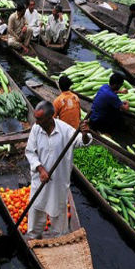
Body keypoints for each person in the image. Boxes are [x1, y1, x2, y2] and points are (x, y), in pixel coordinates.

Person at [25, 101, 91, 239]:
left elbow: (81, 142)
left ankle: (59, 239)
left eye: (39, 119)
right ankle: (33, 237)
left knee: (57, 213)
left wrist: (84, 134)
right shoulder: (36, 130)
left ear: (50, 117)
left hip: (58, 183)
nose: (36, 122)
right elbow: (30, 152)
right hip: (40, 181)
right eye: (35, 118)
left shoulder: (65, 130)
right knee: (36, 209)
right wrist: (40, 169)